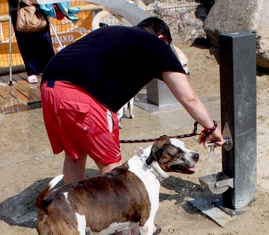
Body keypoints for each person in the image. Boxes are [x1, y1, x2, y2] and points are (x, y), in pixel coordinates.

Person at [40, 17, 225, 186]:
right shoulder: (156, 45)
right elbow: (189, 97)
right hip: (84, 96)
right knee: (111, 166)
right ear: (162, 38)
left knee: (75, 156)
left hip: (50, 88)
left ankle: (73, 216)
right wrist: (211, 128)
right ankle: (119, 221)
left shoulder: (112, 33)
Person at [8, 0, 55, 84]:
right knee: (25, 41)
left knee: (44, 38)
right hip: (19, 7)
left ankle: (49, 68)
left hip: (38, 5)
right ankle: (31, 71)